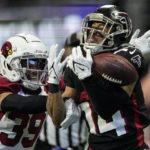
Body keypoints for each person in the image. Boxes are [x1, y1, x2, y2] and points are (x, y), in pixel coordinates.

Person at [46, 5, 150, 150]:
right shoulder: (76, 64)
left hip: (131, 146)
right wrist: (53, 84)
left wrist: (87, 77)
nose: (93, 32)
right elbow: (58, 120)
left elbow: (107, 109)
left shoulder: (127, 57)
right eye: (92, 26)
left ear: (118, 32)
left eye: (101, 27)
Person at [34, 32, 88, 150]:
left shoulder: (90, 77)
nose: (77, 51)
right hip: (46, 145)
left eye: (82, 47)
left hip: (75, 145)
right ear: (65, 49)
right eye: (74, 47)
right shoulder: (49, 73)